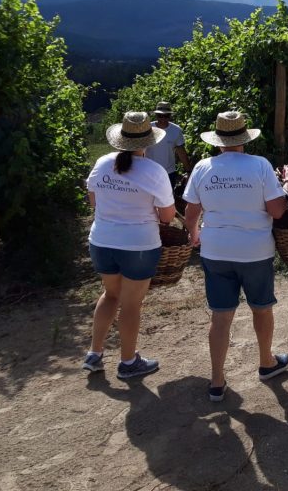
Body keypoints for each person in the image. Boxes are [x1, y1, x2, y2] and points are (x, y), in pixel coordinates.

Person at [182, 111, 288, 402]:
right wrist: (286, 189)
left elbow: (191, 214)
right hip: (255, 250)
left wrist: (195, 235)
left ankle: (217, 381)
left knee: (220, 317)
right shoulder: (260, 166)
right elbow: (277, 211)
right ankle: (267, 362)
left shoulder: (203, 167)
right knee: (261, 308)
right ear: (244, 138)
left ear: (219, 141)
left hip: (215, 249)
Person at [83, 111, 176, 379]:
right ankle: (127, 362)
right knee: (131, 304)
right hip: (139, 246)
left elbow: (93, 201)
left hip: (101, 241)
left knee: (110, 294)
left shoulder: (101, 163)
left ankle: (94, 353)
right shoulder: (154, 171)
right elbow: (168, 217)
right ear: (148, 141)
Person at [145, 101, 191, 188]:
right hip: (149, 171)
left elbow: (181, 152)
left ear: (170, 116)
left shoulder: (176, 130)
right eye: (160, 115)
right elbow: (140, 149)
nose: (163, 118)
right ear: (156, 115)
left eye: (166, 116)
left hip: (169, 173)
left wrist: (188, 171)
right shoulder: (148, 128)